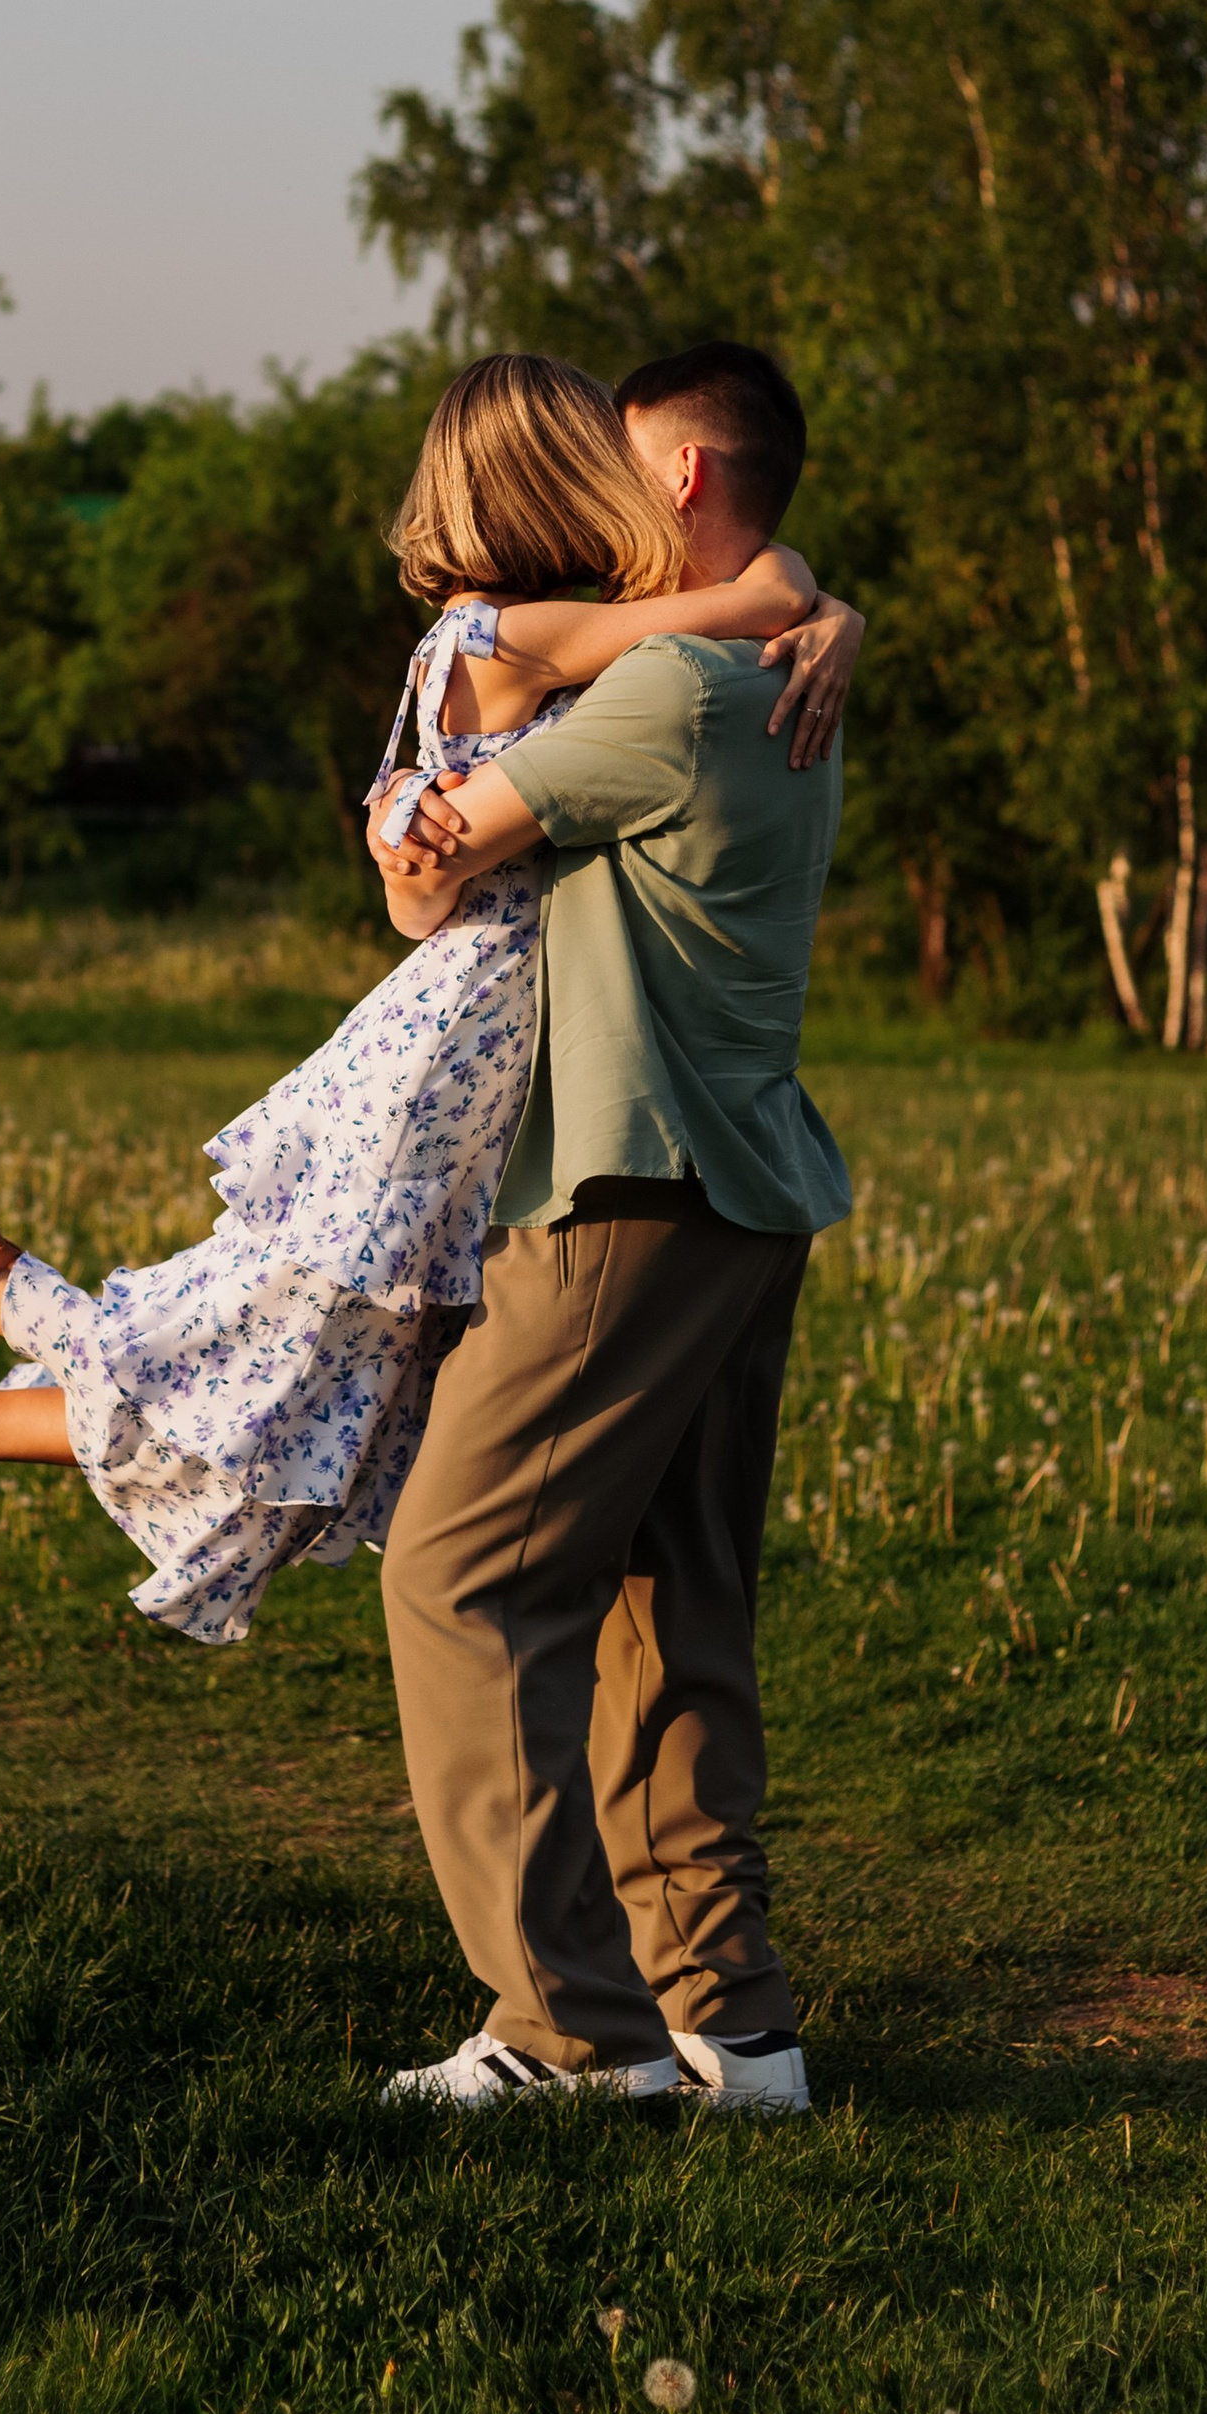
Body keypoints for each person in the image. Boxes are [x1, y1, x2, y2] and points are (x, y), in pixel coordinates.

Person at [0, 351, 863, 1656]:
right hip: (454, 1066)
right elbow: (751, 599)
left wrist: (411, 847)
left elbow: (419, 884)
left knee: (321, 1392)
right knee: (284, 1359)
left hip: (471, 1055)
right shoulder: (521, 635)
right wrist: (817, 603)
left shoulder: (489, 644)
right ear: (554, 482)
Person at [361, 340, 850, 2117]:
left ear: (690, 482)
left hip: (622, 1190)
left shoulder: (676, 700)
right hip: (750, 1194)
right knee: (669, 1609)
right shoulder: (787, 678)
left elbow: (432, 866)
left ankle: (570, 2031)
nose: (595, 498)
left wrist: (444, 771)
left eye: (620, 467)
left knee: (460, 1573)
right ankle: (739, 2031)